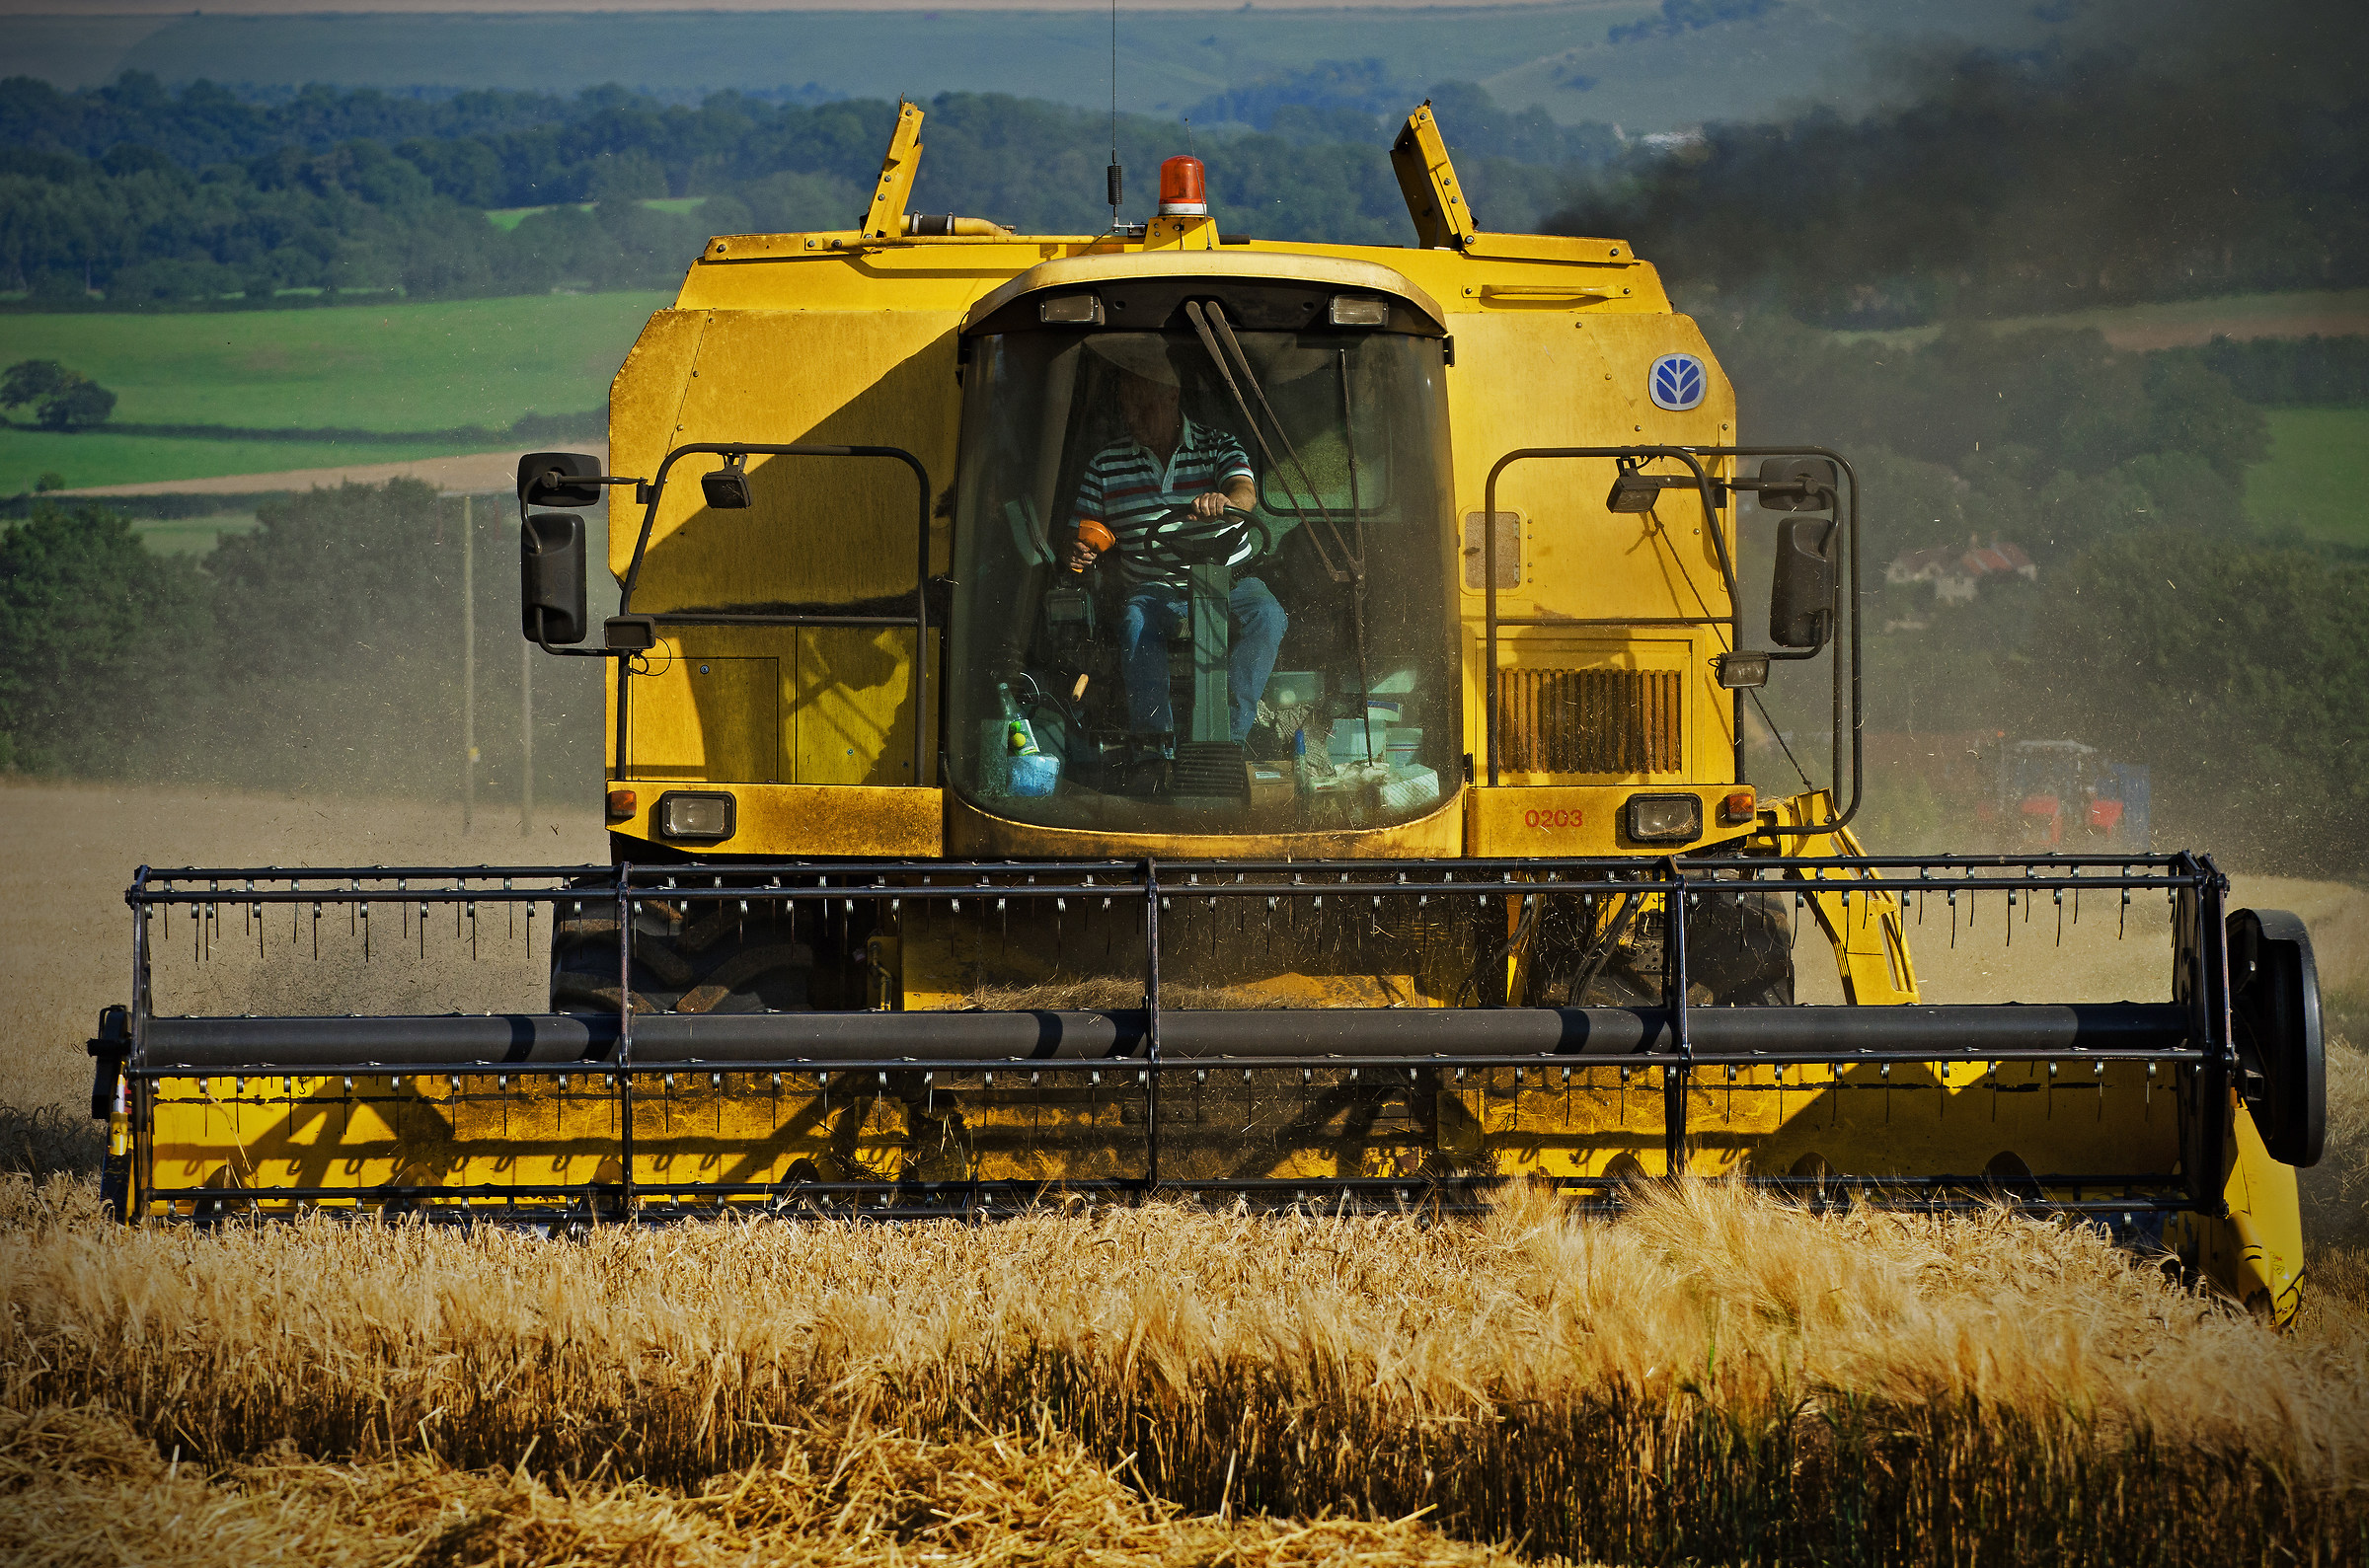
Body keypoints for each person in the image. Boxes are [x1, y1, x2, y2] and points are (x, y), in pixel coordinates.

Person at [1066, 366, 1287, 749]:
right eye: (1127, 409)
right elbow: (1083, 528)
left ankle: (1228, 744)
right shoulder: (1106, 464)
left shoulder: (1217, 445)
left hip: (1231, 579)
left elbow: (1243, 491)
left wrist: (1225, 502)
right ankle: (1155, 749)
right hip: (1156, 587)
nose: (1133, 419)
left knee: (1268, 616)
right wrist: (1081, 548)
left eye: (1143, 408)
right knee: (1136, 623)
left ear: (1171, 396)